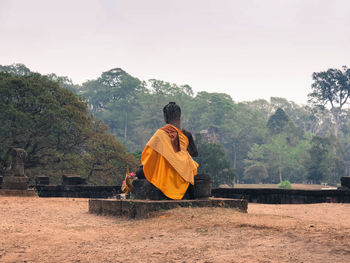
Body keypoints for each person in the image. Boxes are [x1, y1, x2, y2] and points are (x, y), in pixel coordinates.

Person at [140, 102, 199, 199]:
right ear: (179, 116)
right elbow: (195, 153)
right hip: (184, 170)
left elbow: (150, 156)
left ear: (165, 117)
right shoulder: (186, 133)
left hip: (166, 170)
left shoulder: (161, 133)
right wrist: (182, 150)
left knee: (140, 171)